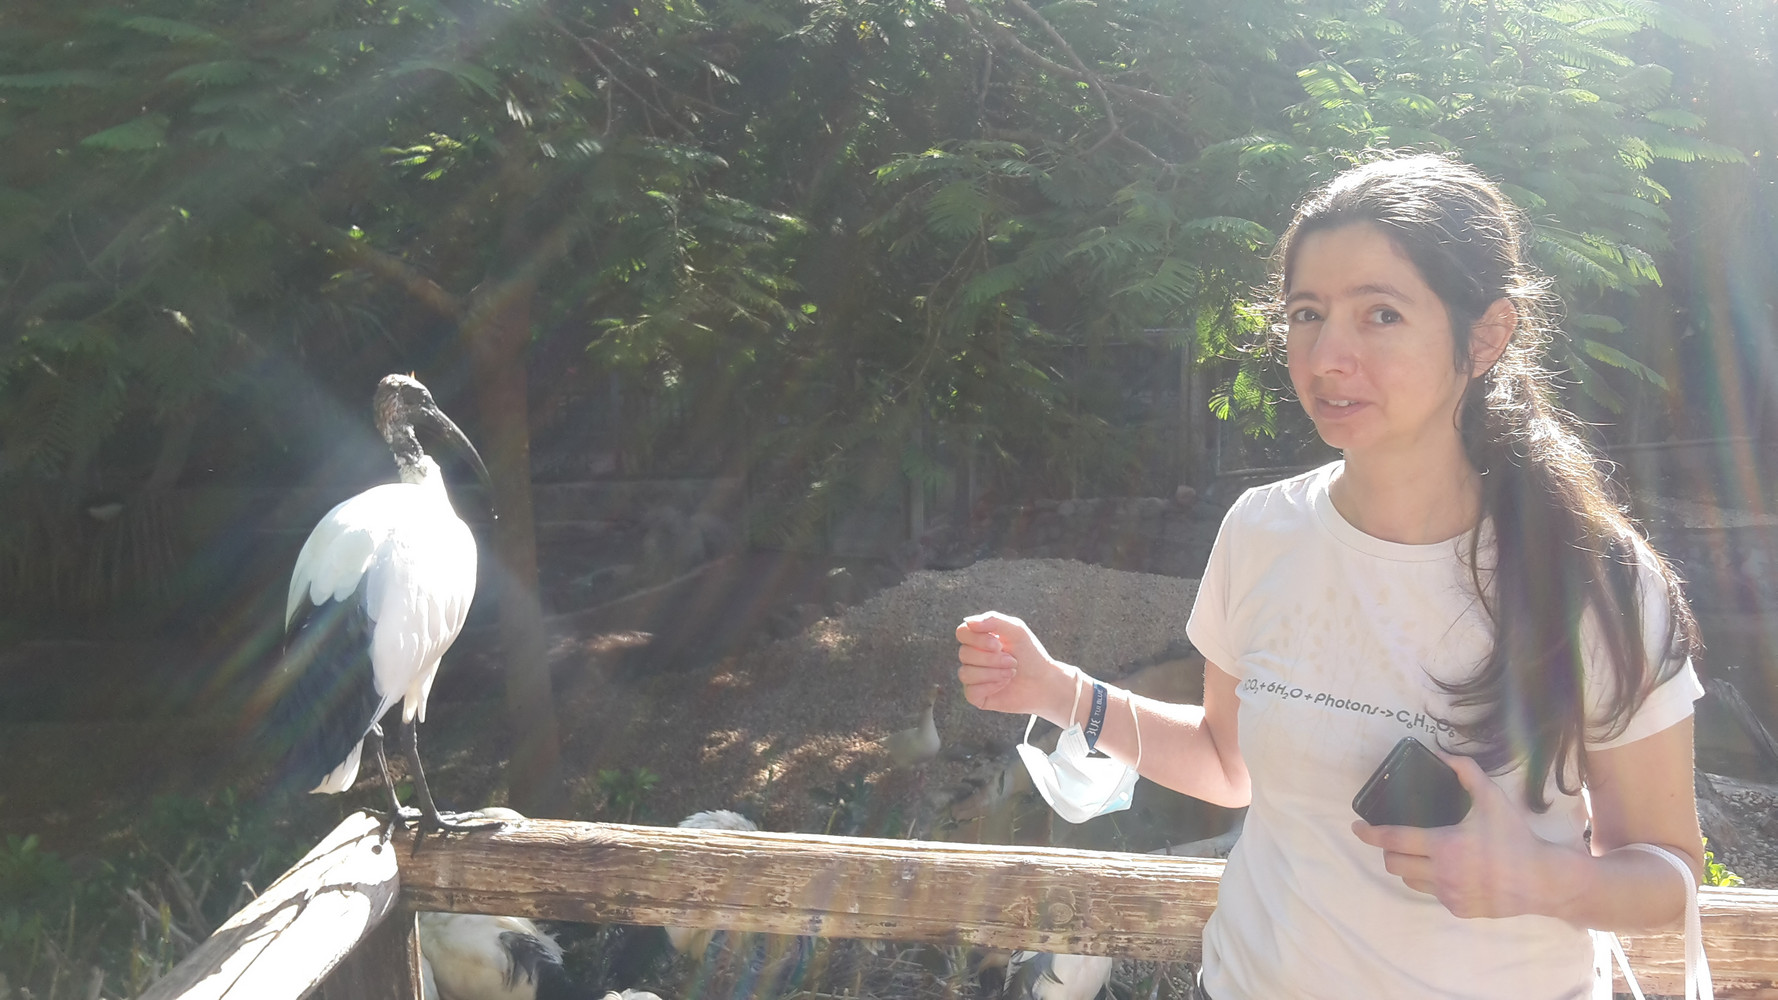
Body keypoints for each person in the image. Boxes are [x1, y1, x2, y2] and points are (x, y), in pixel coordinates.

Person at [955, 154, 1707, 999]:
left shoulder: (1595, 579)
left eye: (1381, 314)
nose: (1327, 356)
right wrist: (1058, 691)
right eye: (1306, 315)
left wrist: (1544, 880)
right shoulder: (1261, 530)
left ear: (1486, 336)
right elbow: (1226, 761)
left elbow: (1671, 871)